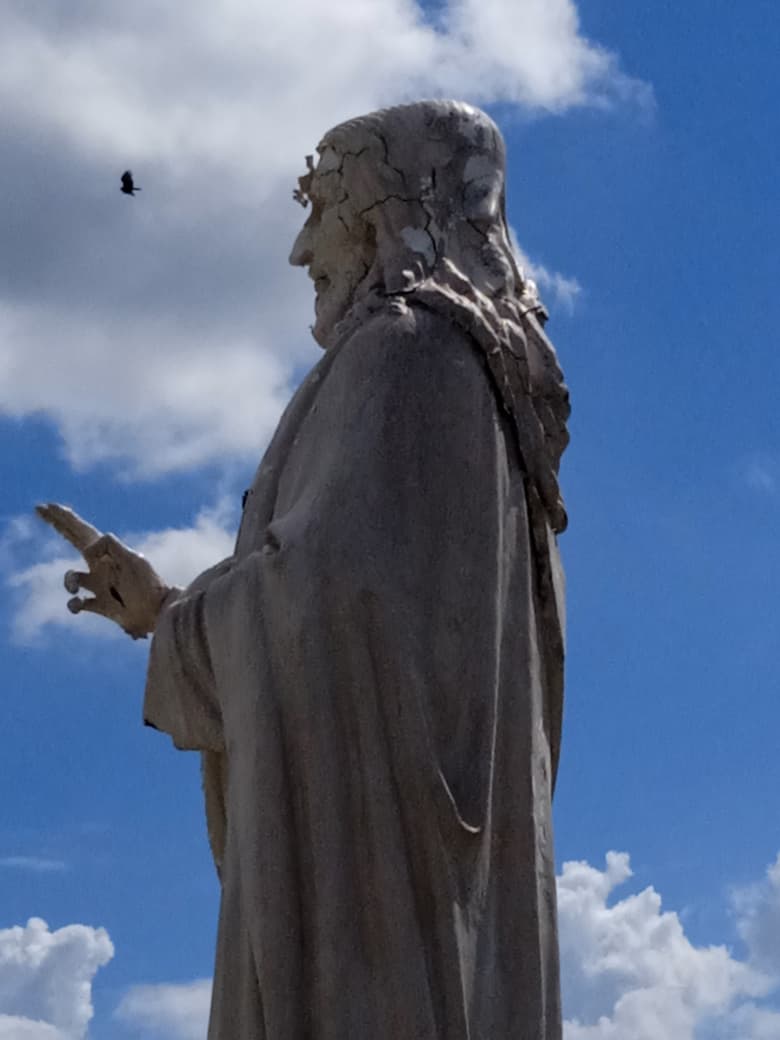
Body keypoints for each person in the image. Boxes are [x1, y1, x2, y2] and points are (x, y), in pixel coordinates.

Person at [40, 100, 570, 1039]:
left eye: (319, 208)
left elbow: (318, 608)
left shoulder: (404, 357)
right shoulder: (490, 401)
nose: (300, 250)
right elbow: (343, 594)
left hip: (376, 918)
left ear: (380, 213)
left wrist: (171, 619)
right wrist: (164, 613)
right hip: (438, 907)